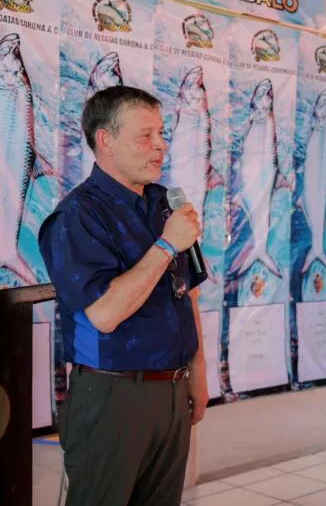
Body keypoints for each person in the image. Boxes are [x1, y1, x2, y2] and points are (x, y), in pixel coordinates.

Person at [38, 86, 209, 506]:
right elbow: (104, 314)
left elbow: (185, 293)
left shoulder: (163, 203)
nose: (160, 146)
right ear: (105, 140)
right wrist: (165, 245)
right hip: (112, 396)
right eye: (145, 136)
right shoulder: (77, 216)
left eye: (161, 133)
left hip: (172, 389)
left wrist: (198, 372)